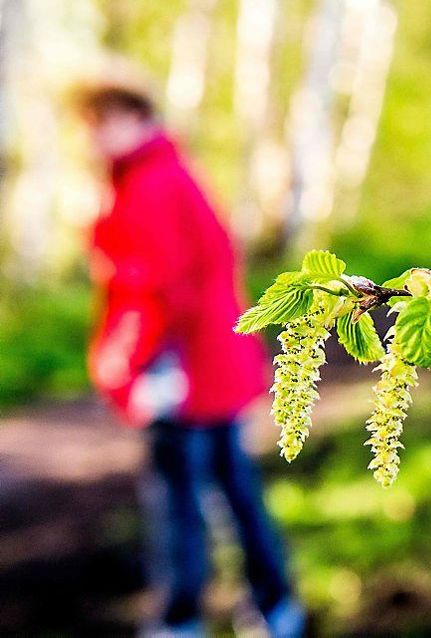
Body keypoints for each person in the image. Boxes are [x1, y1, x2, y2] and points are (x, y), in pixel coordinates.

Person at [72, 64, 305, 638]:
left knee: (179, 503)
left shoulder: (147, 184)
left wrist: (126, 363)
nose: (95, 135)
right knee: (233, 488)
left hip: (178, 372)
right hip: (210, 366)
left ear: (136, 117)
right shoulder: (171, 173)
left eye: (105, 120)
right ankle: (275, 607)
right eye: (90, 123)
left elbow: (156, 291)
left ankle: (181, 620)